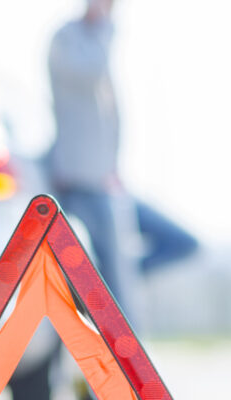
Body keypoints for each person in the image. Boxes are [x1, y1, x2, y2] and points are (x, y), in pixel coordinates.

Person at [47, 0, 198, 324]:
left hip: (109, 182)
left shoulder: (97, 42)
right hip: (81, 182)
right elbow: (90, 73)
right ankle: (127, 362)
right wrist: (104, 29)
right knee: (120, 293)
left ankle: (104, 281)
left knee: (183, 242)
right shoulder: (67, 39)